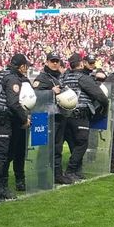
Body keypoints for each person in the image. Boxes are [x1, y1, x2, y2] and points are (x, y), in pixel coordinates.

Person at [0, 54, 32, 203]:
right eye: (26, 66)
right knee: (0, 157)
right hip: (1, 120)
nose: (26, 69)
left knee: (2, 156)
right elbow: (13, 103)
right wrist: (24, 119)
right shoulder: (12, 78)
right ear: (22, 66)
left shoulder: (1, 75)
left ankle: (0, 187)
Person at [60, 53, 108, 179]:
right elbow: (100, 95)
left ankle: (77, 170)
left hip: (66, 114)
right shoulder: (83, 78)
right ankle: (71, 170)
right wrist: (105, 107)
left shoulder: (64, 76)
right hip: (80, 114)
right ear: (81, 63)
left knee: (73, 144)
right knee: (82, 143)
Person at [32, 53, 74, 184]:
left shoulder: (58, 77)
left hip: (59, 116)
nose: (55, 63)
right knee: (45, 149)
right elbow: (35, 95)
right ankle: (42, 177)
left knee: (57, 147)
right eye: (52, 61)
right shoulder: (42, 77)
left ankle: (57, 174)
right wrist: (51, 92)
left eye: (57, 61)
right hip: (47, 117)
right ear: (47, 62)